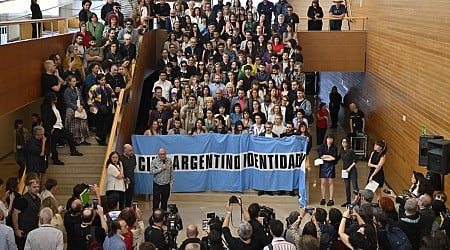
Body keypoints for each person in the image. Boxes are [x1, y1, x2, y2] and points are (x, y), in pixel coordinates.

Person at [41, 92, 83, 165]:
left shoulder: (55, 106)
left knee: (69, 135)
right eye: (54, 98)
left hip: (59, 126)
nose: (56, 99)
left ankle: (73, 151)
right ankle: (55, 159)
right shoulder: (45, 108)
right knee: (53, 144)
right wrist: (50, 128)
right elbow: (45, 120)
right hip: (53, 128)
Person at [12, 174, 41, 250]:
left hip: (33, 231)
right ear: (28, 187)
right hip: (23, 233)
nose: (37, 189)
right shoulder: (23, 200)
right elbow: (15, 214)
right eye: (34, 187)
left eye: (38, 187)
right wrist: (16, 229)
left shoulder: (38, 199)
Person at [64, 75, 91, 145]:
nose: (75, 82)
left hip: (80, 108)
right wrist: (76, 108)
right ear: (69, 82)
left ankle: (83, 139)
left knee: (83, 124)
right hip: (72, 109)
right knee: (74, 126)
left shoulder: (77, 89)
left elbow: (81, 98)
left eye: (75, 81)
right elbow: (68, 102)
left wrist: (82, 105)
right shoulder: (67, 91)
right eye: (73, 81)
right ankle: (74, 140)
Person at [338, 138, 359, 207]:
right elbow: (337, 158)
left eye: (345, 142)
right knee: (347, 186)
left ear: (347, 143)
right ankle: (348, 201)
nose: (343, 143)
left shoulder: (350, 151)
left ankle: (357, 201)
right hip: (345, 170)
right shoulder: (341, 151)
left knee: (354, 185)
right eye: (342, 142)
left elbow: (356, 160)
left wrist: (350, 168)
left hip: (352, 170)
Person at [318, 134, 338, 206]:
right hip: (323, 166)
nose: (330, 140)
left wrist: (327, 156)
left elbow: (334, 158)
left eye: (331, 139)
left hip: (331, 166)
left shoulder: (334, 147)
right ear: (326, 139)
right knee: (323, 182)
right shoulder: (322, 147)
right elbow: (321, 156)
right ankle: (323, 198)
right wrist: (329, 156)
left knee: (330, 182)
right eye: (328, 139)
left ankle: (331, 199)